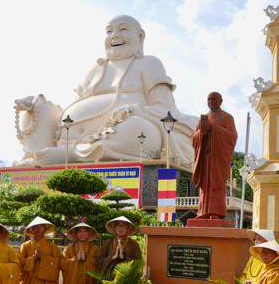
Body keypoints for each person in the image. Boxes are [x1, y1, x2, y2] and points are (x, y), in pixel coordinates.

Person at [14, 15, 197, 165]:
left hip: (124, 133)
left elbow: (165, 109)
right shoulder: (96, 69)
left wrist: (133, 111)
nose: (115, 36)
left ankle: (71, 155)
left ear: (140, 37)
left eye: (123, 29)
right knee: (34, 113)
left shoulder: (149, 63)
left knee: (140, 131)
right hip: (67, 136)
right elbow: (77, 106)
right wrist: (36, 104)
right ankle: (38, 156)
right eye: (109, 31)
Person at [191, 92, 238, 219]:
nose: (210, 102)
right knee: (205, 187)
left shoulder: (227, 118)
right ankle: (203, 212)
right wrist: (202, 132)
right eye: (208, 99)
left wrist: (213, 128)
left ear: (220, 101)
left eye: (213, 99)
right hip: (205, 159)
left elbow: (232, 137)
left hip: (217, 159)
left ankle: (216, 212)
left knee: (216, 185)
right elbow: (193, 138)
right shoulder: (204, 118)